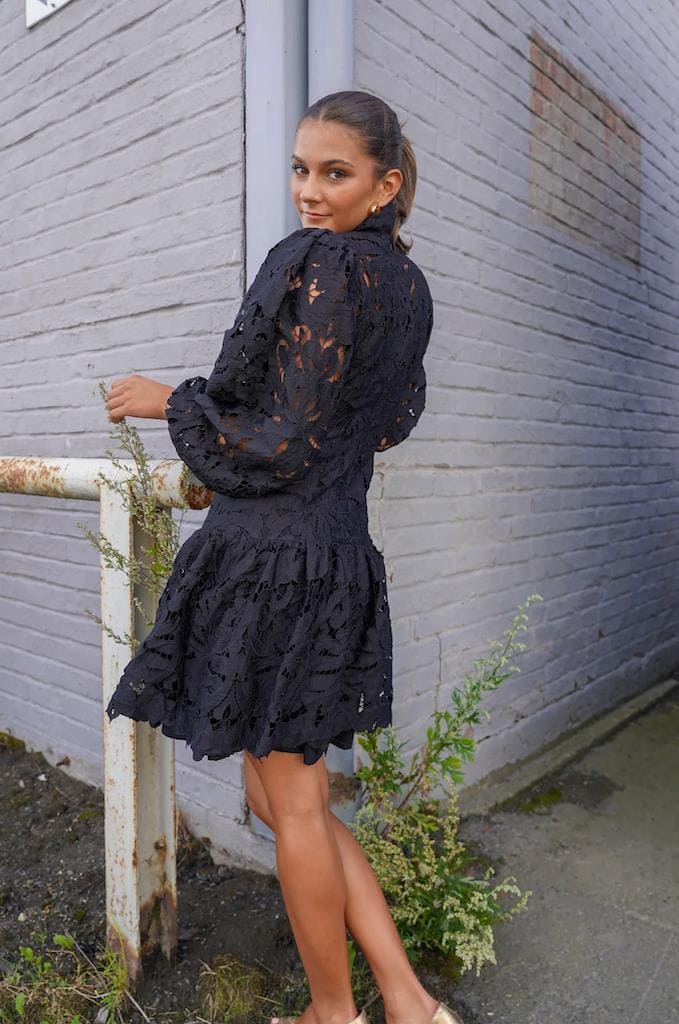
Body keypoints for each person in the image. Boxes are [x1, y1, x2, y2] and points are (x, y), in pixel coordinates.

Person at [105, 90, 462, 1024]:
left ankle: (332, 1013)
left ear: (384, 183)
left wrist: (169, 401)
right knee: (276, 801)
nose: (309, 191)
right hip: (336, 553)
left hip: (272, 563)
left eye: (334, 173)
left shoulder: (317, 261)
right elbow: (386, 422)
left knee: (292, 807)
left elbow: (275, 438)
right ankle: (407, 1000)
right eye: (300, 169)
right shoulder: (407, 286)